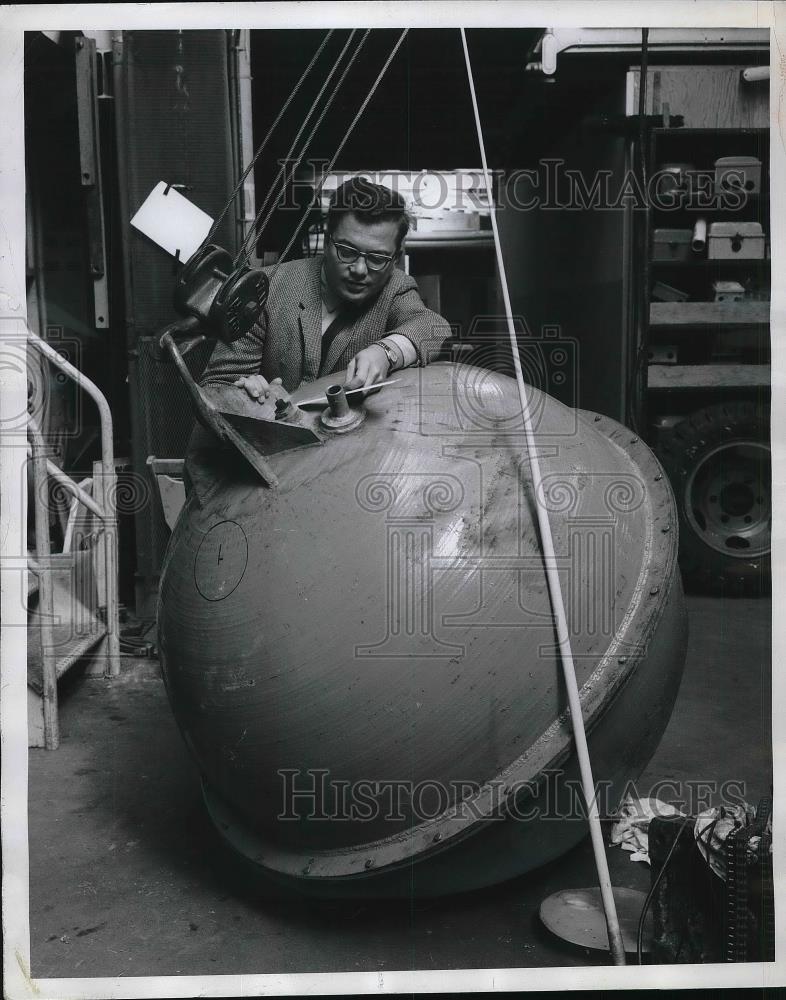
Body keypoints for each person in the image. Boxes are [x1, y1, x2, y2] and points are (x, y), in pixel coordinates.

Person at [199, 176, 451, 399]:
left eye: (377, 258)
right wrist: (245, 394)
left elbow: (433, 327)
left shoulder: (396, 288)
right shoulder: (267, 287)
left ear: (395, 258)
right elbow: (216, 388)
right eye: (347, 251)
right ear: (327, 241)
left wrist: (386, 352)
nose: (360, 269)